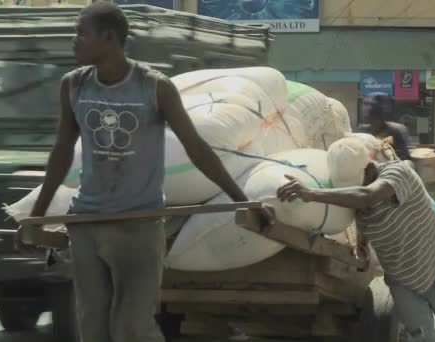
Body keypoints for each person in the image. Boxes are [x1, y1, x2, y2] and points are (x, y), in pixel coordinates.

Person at [15, 2, 274, 342]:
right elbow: (62, 153)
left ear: (109, 38)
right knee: (92, 329)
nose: (74, 41)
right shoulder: (74, 85)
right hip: (87, 225)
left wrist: (244, 201)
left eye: (82, 33)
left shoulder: (154, 87)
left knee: (132, 328)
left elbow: (196, 149)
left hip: (139, 226)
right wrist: (36, 218)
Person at [277, 137, 435, 342]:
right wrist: (361, 244)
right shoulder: (357, 200)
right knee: (421, 338)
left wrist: (310, 193)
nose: (352, 187)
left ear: (369, 165)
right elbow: (363, 220)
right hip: (403, 281)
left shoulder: (399, 173)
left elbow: (368, 195)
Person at [362, 94, 413, 161]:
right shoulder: (365, 132)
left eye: (375, 118)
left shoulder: (394, 132)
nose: (373, 122)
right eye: (370, 119)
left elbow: (404, 156)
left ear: (381, 118)